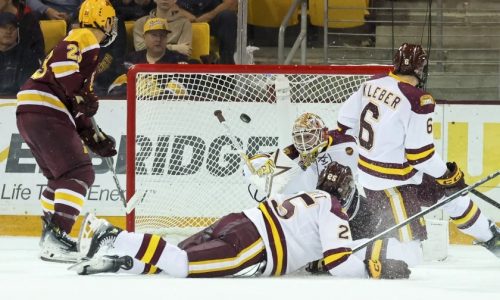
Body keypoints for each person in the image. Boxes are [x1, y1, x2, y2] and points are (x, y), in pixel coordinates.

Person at [71, 162, 411, 279]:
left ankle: (119, 263)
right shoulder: (334, 209)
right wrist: (374, 268)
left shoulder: (305, 197)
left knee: (165, 258)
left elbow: (317, 253)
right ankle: (112, 235)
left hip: (237, 221)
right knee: (183, 265)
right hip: (254, 245)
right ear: (347, 192)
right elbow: (338, 261)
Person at [336, 42, 499, 256]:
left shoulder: (372, 82)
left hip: (385, 174)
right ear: (421, 68)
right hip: (394, 186)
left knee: (451, 196)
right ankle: (342, 254)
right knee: (409, 253)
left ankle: (492, 238)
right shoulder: (418, 100)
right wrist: (447, 175)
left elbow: (344, 122)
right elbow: (420, 155)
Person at [15, 0, 118, 263]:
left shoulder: (82, 46)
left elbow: (75, 102)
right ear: (105, 22)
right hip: (45, 107)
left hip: (32, 109)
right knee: (79, 172)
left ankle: (50, 233)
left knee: (59, 178)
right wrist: (81, 94)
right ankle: (57, 236)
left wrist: (93, 136)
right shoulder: (85, 37)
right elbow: (63, 69)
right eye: (111, 21)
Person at [106, 17, 189, 95]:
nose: (158, 39)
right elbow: (114, 90)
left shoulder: (178, 60)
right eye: (154, 35)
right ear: (144, 37)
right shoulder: (130, 60)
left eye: (162, 35)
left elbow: (184, 91)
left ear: (167, 38)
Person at [0, 12, 41, 95]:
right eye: (4, 27)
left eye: (12, 28)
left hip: (16, 103)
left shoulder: (29, 57)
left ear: (17, 31)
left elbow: (28, 90)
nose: (8, 31)